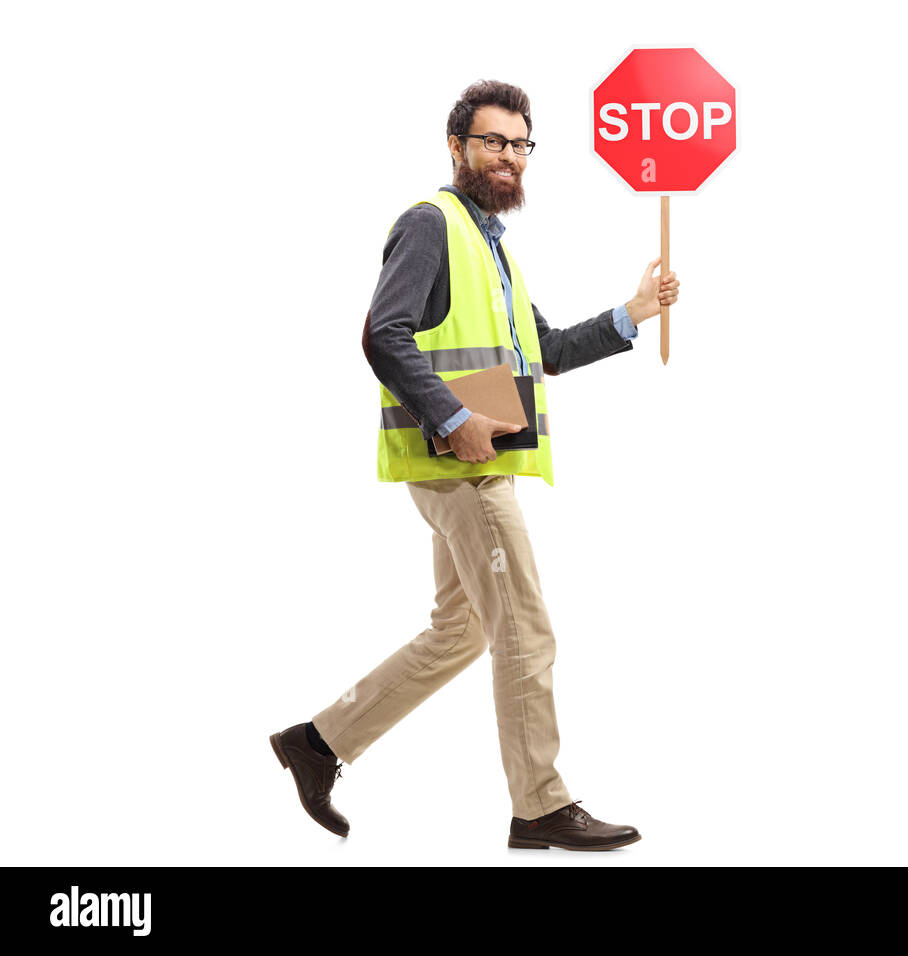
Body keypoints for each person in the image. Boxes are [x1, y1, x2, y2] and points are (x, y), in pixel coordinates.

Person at [269, 79, 679, 851]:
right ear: (456, 147)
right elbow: (382, 335)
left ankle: (316, 743)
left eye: (520, 146)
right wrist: (453, 418)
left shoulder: (492, 249)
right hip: (463, 469)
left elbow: (548, 350)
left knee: (461, 629)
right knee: (524, 626)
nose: (508, 158)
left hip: (473, 463)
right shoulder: (432, 226)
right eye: (493, 142)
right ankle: (540, 805)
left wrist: (635, 312)